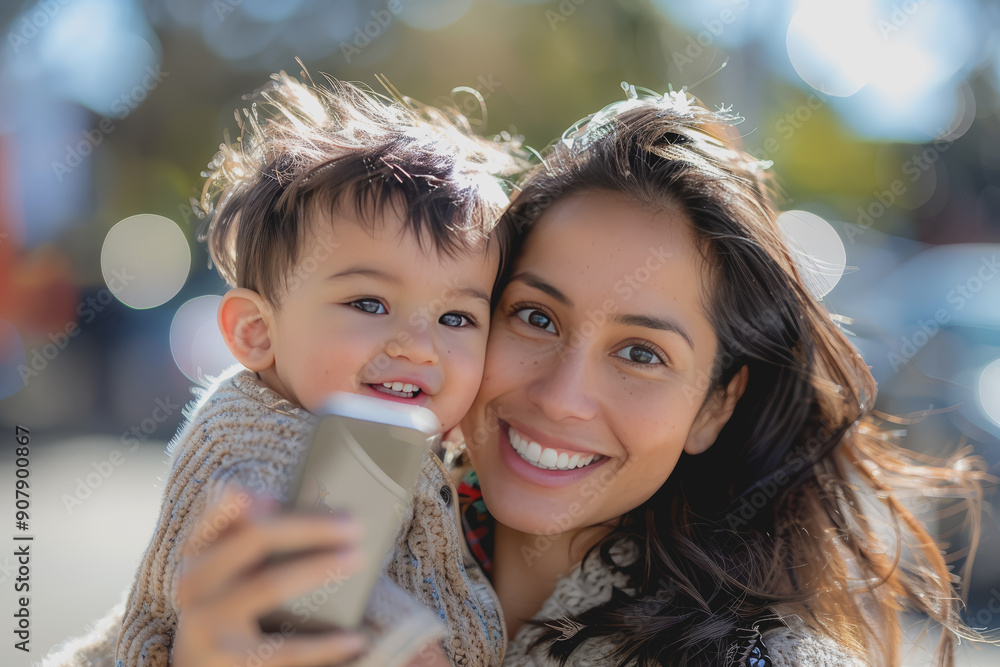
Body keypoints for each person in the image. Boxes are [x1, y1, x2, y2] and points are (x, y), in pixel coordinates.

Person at [51, 85, 994, 667]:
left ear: (717, 405)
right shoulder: (325, 498)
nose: (561, 394)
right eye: (535, 316)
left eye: (641, 352)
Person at [41, 69, 523, 667]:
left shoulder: (402, 446)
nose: (419, 346)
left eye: (456, 319)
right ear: (257, 332)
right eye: (370, 304)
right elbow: (309, 570)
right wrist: (411, 649)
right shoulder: (259, 436)